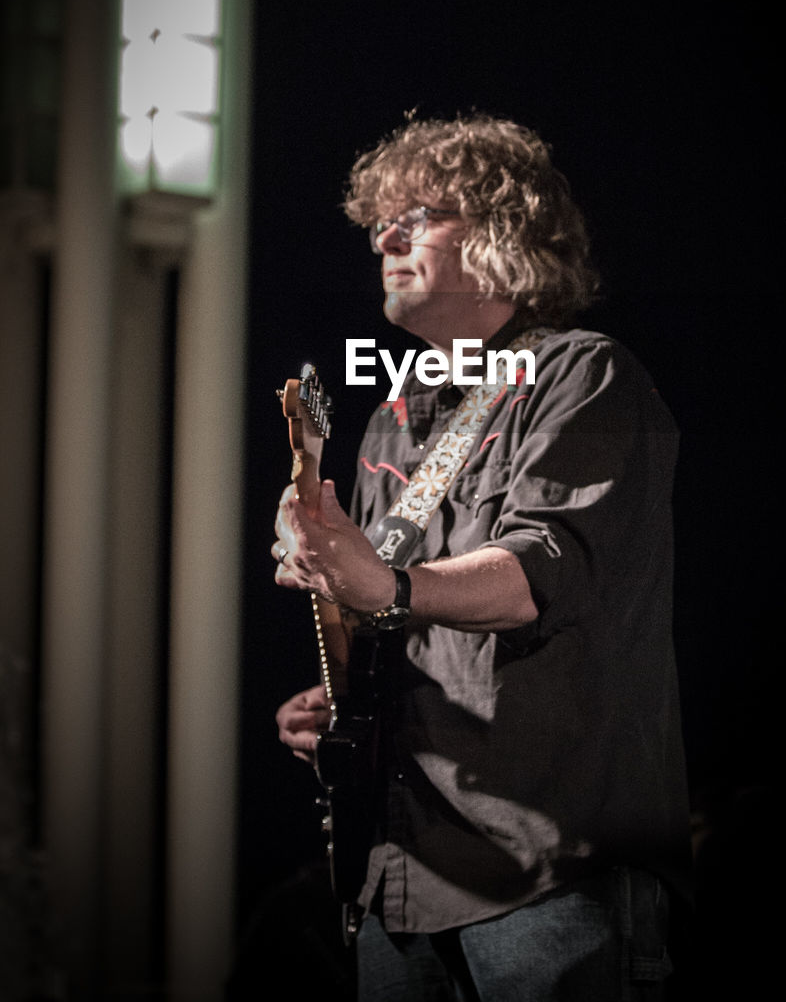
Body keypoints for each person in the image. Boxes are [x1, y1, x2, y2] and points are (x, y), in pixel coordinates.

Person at [272, 113, 692, 1001]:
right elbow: (397, 610)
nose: (386, 237)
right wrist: (343, 700)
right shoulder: (395, 412)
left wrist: (379, 579)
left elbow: (539, 573)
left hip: (549, 871)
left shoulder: (585, 375)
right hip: (400, 878)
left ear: (504, 233)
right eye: (381, 221)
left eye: (419, 214)